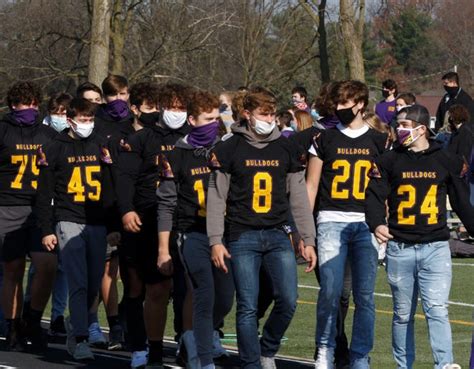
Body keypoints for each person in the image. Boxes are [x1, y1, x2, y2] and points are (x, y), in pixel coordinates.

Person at [207, 88, 317, 369]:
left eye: (271, 113)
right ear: (247, 114)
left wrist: (308, 237)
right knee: (247, 306)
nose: (269, 118)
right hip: (242, 234)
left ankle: (267, 348)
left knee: (288, 300)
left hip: (279, 232)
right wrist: (215, 240)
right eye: (263, 113)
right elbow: (217, 196)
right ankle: (251, 363)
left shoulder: (287, 146)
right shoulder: (229, 147)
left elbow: (299, 197)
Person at [365, 104, 474, 369]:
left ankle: (444, 364)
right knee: (403, 315)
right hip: (400, 246)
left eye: (405, 124)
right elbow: (374, 195)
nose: (399, 129)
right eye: (398, 124)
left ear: (422, 128)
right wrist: (376, 223)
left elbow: (461, 202)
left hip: (435, 246)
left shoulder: (445, 158)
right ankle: (404, 366)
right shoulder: (389, 160)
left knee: (437, 309)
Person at [306, 80, 388, 369]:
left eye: (345, 103)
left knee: (364, 296)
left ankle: (359, 356)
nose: (340, 109)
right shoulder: (324, 139)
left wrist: (383, 225)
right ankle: (325, 350)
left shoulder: (379, 141)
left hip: (367, 224)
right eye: (337, 103)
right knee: (330, 291)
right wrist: (306, 233)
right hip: (330, 219)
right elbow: (311, 186)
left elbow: (385, 188)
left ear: (361, 104)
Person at [115, 83, 191, 369]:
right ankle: (144, 347)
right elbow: (124, 179)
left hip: (185, 219)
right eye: (171, 107)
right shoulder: (141, 139)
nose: (177, 113)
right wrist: (126, 210)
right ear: (160, 108)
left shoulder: (192, 139)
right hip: (147, 219)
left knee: (189, 289)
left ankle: (187, 340)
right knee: (147, 289)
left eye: (182, 108)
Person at [157, 90, 234, 369]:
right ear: (192, 120)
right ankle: (200, 356)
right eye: (208, 118)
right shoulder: (176, 155)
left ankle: (197, 335)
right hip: (192, 231)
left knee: (226, 297)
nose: (214, 123)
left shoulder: (226, 148)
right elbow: (166, 204)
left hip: (225, 233)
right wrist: (163, 249)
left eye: (217, 117)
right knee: (203, 292)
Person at [35, 97, 114, 360]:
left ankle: (75, 322)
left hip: (96, 220)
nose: (87, 124)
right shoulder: (55, 147)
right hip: (68, 218)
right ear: (70, 120)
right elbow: (44, 193)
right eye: (82, 119)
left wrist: (113, 224)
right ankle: (80, 338)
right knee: (78, 281)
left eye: (91, 119)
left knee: (93, 284)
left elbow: (111, 187)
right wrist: (46, 229)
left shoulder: (100, 142)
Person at [0, 81, 58, 352]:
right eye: (26, 103)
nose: (31, 108)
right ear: (13, 105)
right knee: (13, 270)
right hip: (8, 205)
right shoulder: (3, 129)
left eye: (35, 103)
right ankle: (13, 326)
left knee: (47, 265)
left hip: (40, 208)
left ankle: (32, 319)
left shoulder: (47, 134)